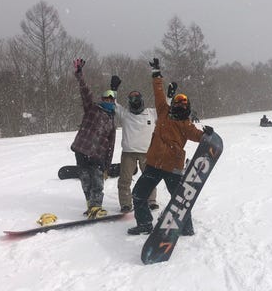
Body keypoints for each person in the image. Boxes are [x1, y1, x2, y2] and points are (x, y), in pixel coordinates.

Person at [127, 58, 214, 235]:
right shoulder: (163, 111)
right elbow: (158, 92)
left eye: (184, 103)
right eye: (178, 102)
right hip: (153, 165)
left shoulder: (186, 125)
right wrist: (156, 73)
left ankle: (185, 227)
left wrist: (208, 135)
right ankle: (144, 224)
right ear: (173, 103)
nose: (180, 105)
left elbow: (198, 136)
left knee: (179, 200)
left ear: (187, 107)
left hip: (172, 168)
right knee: (138, 195)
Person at [70, 58, 116, 219]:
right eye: (106, 98)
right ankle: (91, 205)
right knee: (85, 180)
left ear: (114, 101)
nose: (108, 101)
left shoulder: (112, 121)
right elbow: (85, 92)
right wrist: (79, 75)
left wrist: (107, 167)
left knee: (97, 182)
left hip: (98, 155)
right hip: (82, 149)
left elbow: (111, 146)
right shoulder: (92, 108)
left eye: (111, 99)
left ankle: (96, 206)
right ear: (102, 100)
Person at [110, 75, 159, 213]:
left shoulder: (151, 113)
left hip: (147, 152)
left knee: (149, 178)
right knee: (125, 180)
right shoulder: (125, 114)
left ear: (141, 100)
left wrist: (169, 95)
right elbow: (113, 104)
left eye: (137, 98)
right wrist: (113, 89)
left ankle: (151, 201)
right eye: (132, 99)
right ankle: (126, 204)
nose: (135, 101)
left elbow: (164, 108)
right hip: (128, 153)